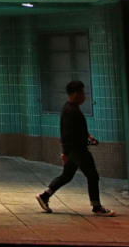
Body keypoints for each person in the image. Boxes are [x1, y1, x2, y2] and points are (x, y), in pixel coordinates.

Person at [36, 80, 115, 216]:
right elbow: (66, 134)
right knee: (92, 175)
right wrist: (65, 153)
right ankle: (96, 206)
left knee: (67, 176)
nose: (84, 96)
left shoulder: (71, 108)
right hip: (78, 150)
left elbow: (78, 129)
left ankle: (45, 195)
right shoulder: (71, 111)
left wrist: (88, 137)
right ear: (75, 94)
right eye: (82, 93)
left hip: (75, 150)